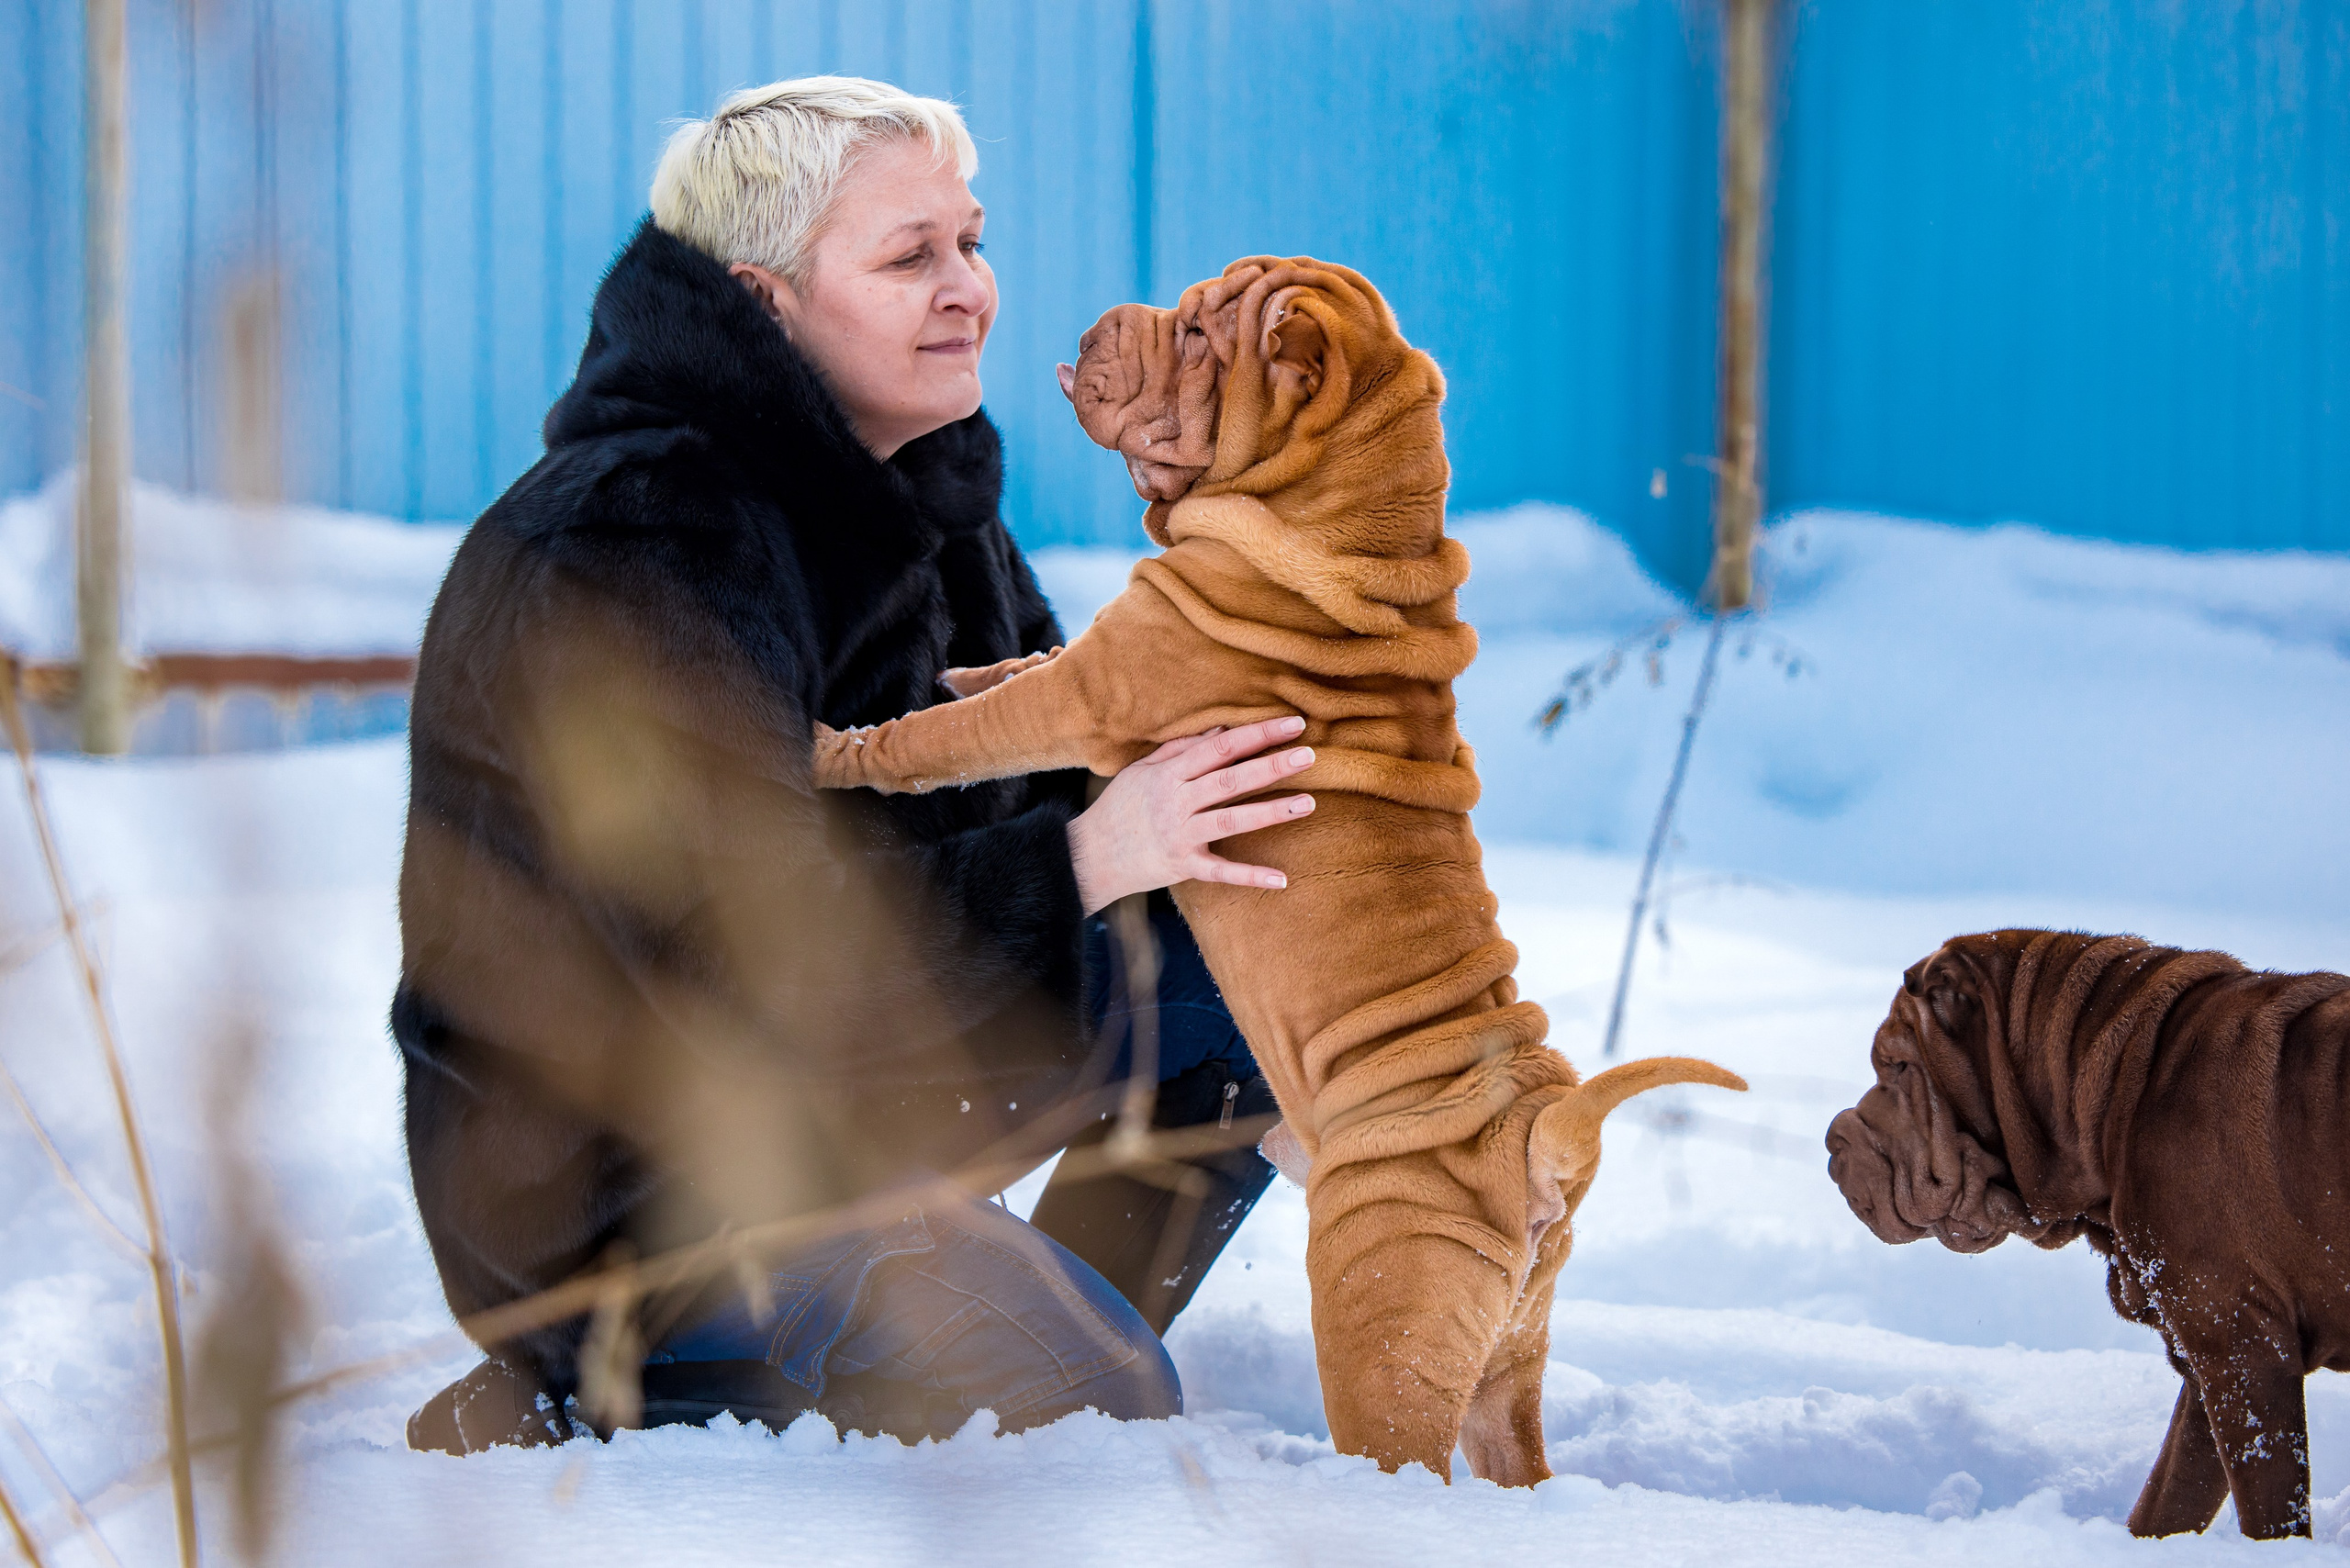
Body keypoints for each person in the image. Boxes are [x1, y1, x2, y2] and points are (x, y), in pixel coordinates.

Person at [397, 76, 1315, 1453]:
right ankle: (597, 1390)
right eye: (910, 256)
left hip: (852, 1105)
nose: (971, 290)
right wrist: (1094, 849)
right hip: (638, 1200)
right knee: (1099, 1402)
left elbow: (1054, 776)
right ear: (765, 303)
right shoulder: (640, 538)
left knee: (1256, 928)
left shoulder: (925, 507)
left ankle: (1000, 1332)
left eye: (972, 240)